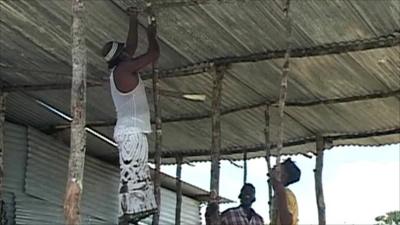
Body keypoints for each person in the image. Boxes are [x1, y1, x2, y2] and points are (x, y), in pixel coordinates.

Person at [100, 5, 159, 225]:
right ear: (122, 56)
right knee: (134, 171)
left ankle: (132, 212)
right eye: (125, 51)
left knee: (134, 171)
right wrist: (151, 34)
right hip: (132, 130)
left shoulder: (119, 69)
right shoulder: (124, 70)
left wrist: (134, 20)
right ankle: (130, 214)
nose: (129, 50)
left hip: (129, 130)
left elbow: (131, 46)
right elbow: (153, 54)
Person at [269, 158, 301, 225]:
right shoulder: (280, 193)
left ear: (284, 176)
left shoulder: (284, 193)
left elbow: (286, 222)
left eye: (278, 167)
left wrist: (280, 192)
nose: (274, 167)